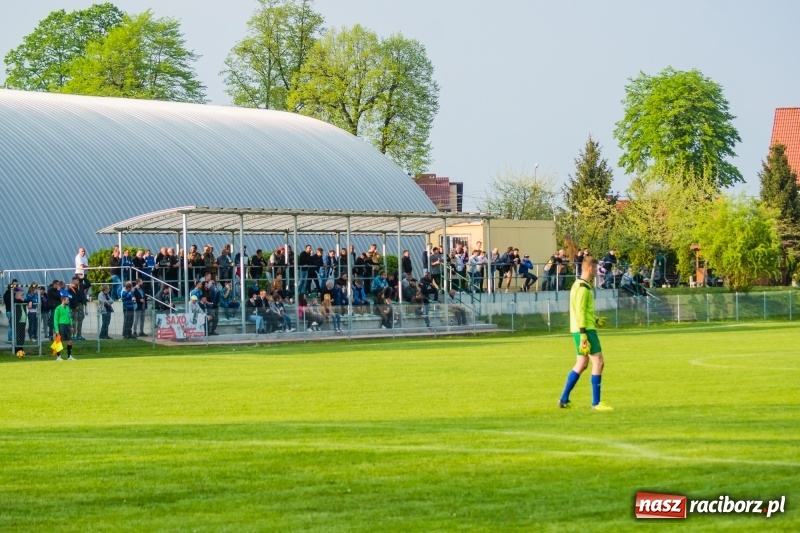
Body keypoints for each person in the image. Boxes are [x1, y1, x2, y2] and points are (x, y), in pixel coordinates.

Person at [558, 255, 613, 411]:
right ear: (590, 269)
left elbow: (579, 310)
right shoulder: (583, 288)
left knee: (581, 364)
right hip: (585, 330)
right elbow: (580, 311)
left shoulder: (577, 285)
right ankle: (596, 403)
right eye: (595, 269)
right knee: (599, 362)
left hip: (580, 328)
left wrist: (595, 319)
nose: (597, 272)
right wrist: (584, 334)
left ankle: (564, 399)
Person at [53, 295, 76, 360]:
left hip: (67, 325)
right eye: (67, 300)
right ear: (63, 300)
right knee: (59, 341)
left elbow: (69, 317)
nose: (68, 301)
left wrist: (71, 326)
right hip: (61, 325)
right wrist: (56, 329)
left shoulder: (68, 308)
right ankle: (58, 356)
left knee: (70, 341)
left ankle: (69, 356)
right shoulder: (58, 309)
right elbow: (55, 319)